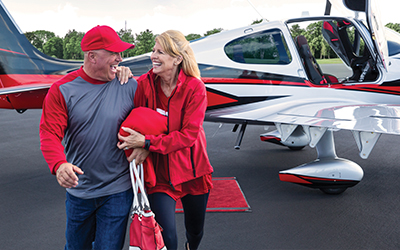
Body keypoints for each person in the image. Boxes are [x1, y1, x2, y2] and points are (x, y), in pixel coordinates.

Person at [39, 25, 137, 250]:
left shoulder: (129, 84)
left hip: (118, 189)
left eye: (120, 53)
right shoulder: (62, 90)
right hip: (80, 190)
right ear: (92, 56)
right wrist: (59, 164)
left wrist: (144, 144)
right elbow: (49, 133)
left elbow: (150, 119)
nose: (119, 58)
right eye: (113, 53)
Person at [117, 30, 214, 250]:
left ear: (177, 58)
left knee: (196, 231)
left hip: (193, 171)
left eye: (160, 52)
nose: (153, 55)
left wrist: (147, 144)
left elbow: (189, 135)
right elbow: (138, 120)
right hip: (161, 174)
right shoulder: (143, 84)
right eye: (153, 50)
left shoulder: (194, 88)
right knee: (166, 237)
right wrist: (120, 71)